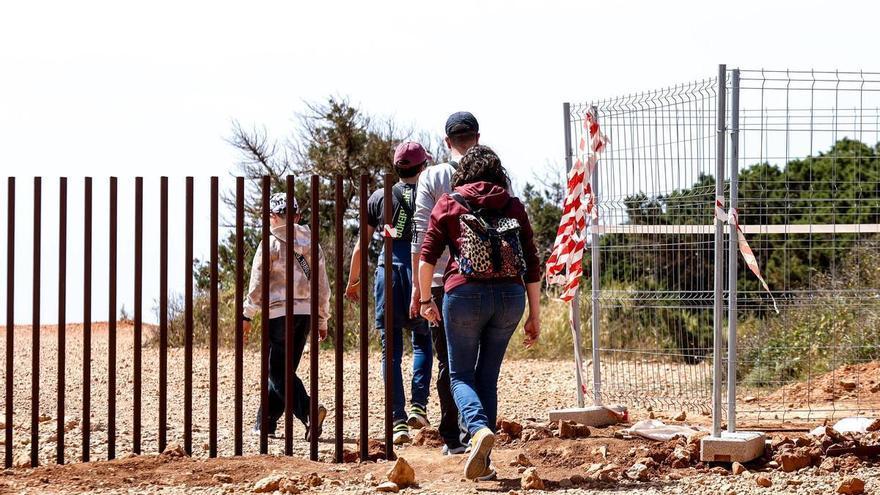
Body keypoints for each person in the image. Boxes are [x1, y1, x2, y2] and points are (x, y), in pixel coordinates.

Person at [418, 145, 541, 480]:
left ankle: (476, 430)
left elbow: (427, 255)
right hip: (510, 297)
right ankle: (483, 463)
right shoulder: (513, 205)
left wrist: (425, 300)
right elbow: (531, 262)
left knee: (460, 375)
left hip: (464, 294)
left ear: (465, 172)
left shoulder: (450, 202)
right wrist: (535, 315)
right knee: (487, 376)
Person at [345, 141, 434, 444]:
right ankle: (418, 405)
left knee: (390, 352)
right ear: (423, 167)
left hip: (388, 274)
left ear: (396, 168)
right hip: (420, 272)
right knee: (423, 342)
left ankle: (397, 421)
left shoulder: (379, 198)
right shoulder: (429, 195)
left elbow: (361, 247)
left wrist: (353, 281)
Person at [409, 111, 480, 455]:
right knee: (479, 361)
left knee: (448, 361)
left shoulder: (431, 177)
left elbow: (419, 235)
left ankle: (454, 436)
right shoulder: (494, 171)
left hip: (438, 280)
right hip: (486, 279)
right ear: (477, 137)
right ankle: (478, 428)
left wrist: (418, 291)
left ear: (446, 142)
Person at [243, 192, 330, 440]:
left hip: (279, 314)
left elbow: (258, 283)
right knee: (283, 370)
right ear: (297, 216)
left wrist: (247, 314)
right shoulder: (311, 242)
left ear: (272, 217)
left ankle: (308, 410)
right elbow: (322, 285)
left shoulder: (269, 243)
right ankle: (265, 423)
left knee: (277, 371)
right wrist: (322, 318)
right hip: (305, 314)